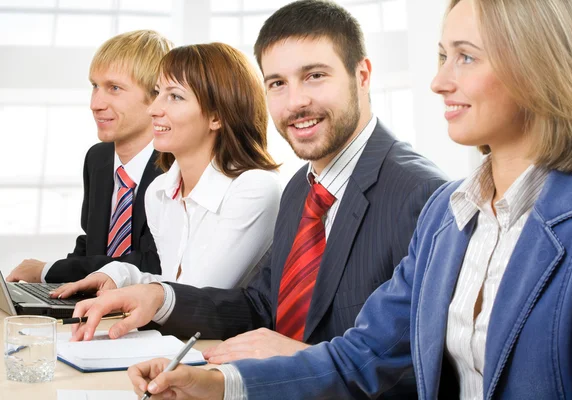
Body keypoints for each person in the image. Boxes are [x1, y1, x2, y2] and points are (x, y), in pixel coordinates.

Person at [127, 0, 572, 398]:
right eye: (441, 56)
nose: (439, 82)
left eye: (467, 57)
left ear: (539, 64)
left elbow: (408, 372)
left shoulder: (424, 195)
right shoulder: (451, 213)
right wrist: (216, 383)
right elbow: (363, 355)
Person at [70, 0, 446, 396]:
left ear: (362, 75)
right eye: (277, 83)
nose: (295, 102)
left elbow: (426, 371)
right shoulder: (302, 186)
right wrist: (161, 298)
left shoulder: (420, 195)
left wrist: (298, 358)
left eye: (315, 76)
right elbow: (260, 306)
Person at [50, 43, 281, 295]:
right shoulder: (160, 191)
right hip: (182, 334)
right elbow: (171, 281)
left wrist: (125, 278)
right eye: (159, 93)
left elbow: (194, 294)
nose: (153, 109)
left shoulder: (255, 189)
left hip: (223, 334)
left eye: (175, 96)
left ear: (217, 116)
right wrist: (116, 274)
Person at [7, 30, 172, 284]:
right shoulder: (98, 159)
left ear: (155, 96)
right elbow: (91, 245)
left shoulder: (174, 166)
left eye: (114, 88)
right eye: (95, 86)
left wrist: (48, 270)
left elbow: (154, 263)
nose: (96, 103)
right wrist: (58, 286)